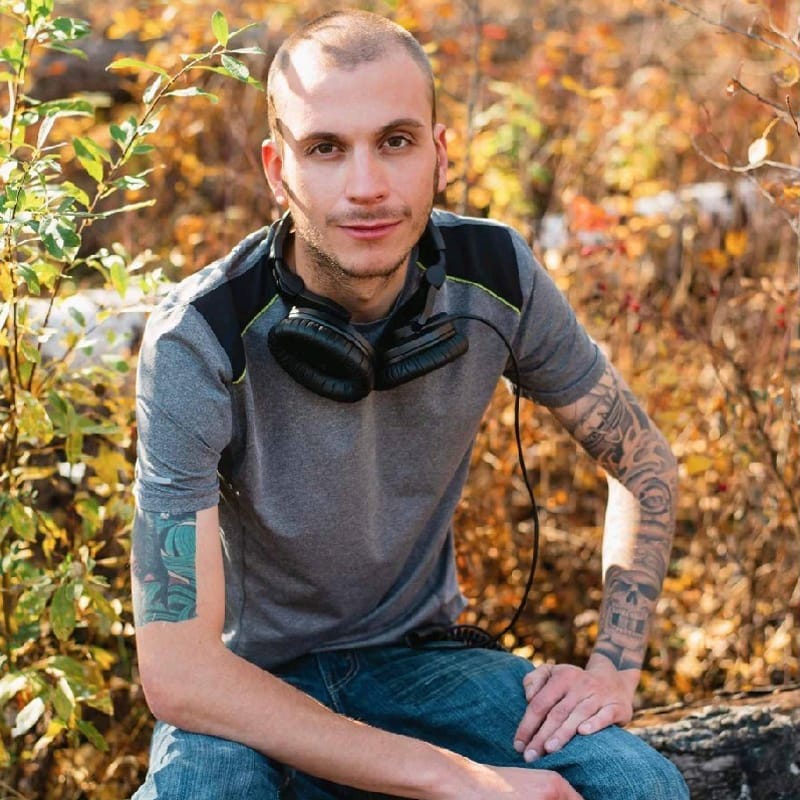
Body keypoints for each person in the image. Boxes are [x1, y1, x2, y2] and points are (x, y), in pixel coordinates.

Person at [130, 10, 689, 799]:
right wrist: (452, 780)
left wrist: (614, 668)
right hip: (246, 687)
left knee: (639, 788)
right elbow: (182, 675)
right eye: (326, 148)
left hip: (424, 662)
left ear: (440, 154)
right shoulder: (199, 338)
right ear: (275, 169)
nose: (366, 186)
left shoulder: (498, 275)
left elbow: (643, 460)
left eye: (395, 140)